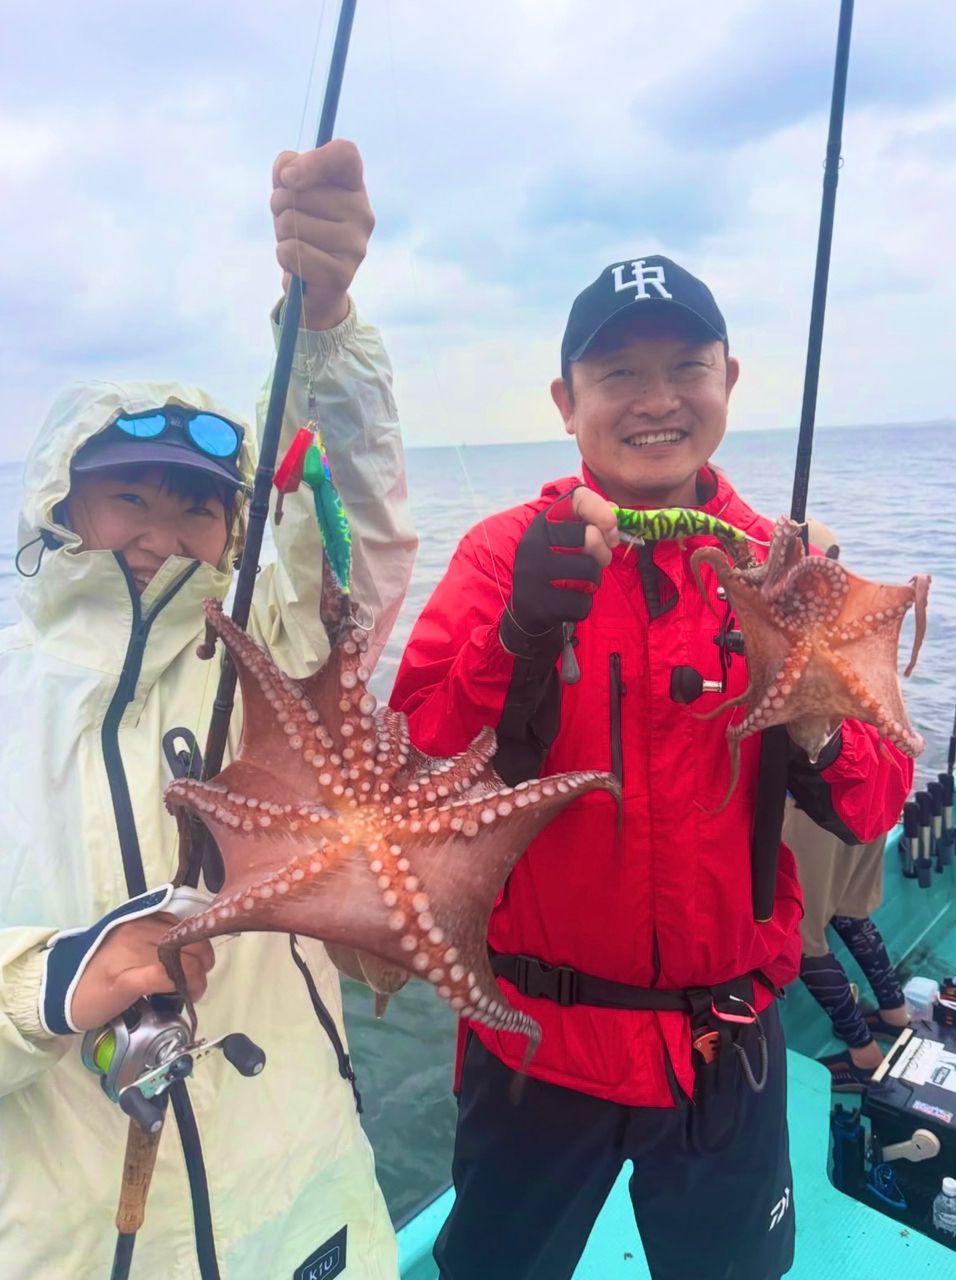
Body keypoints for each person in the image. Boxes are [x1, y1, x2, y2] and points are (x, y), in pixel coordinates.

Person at [389, 256, 912, 1280]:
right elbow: (416, 774)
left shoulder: (789, 565)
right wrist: (519, 630)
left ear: (727, 378)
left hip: (730, 1042)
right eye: (618, 372)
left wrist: (806, 705)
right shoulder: (501, 555)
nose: (657, 398)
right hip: (535, 1043)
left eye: (685, 365)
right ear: (565, 402)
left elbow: (872, 798)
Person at [0, 141, 416, 1279]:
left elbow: (358, 543)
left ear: (232, 533)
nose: (159, 528)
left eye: (197, 507)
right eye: (125, 492)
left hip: (304, 1202)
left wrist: (323, 325)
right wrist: (46, 982)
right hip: (78, 1237)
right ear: (58, 505)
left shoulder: (270, 659)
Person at [782, 520, 910, 1094]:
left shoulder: (791, 637)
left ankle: (860, 1051)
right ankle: (896, 1013)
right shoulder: (863, 630)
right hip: (871, 796)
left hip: (814, 811)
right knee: (852, 912)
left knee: (805, 937)